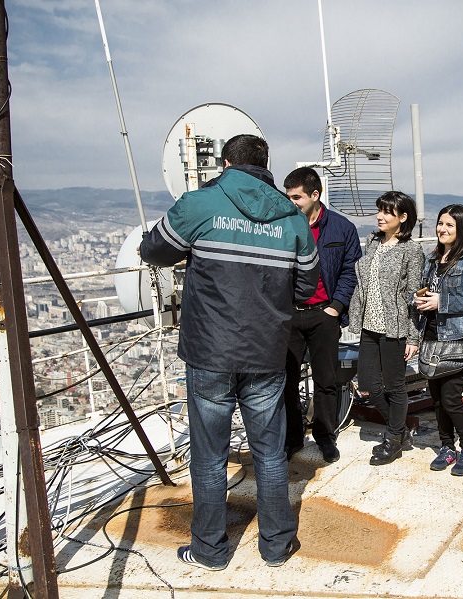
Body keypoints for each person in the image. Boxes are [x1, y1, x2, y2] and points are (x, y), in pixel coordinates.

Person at [140, 134, 319, 569]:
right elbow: (306, 286)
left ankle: (210, 550)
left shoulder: (201, 203)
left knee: (209, 456)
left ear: (225, 163)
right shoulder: (292, 218)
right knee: (270, 453)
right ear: (267, 164)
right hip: (267, 351)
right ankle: (276, 547)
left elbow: (154, 251)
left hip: (210, 350)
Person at [282, 167, 362, 463]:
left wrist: (335, 308)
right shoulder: (283, 227)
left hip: (323, 315)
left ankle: (325, 437)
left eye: (297, 197)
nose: (291, 203)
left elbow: (350, 271)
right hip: (289, 315)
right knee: (286, 380)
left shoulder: (342, 228)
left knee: (326, 380)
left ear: (315, 195)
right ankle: (292, 438)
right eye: (288, 197)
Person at [348, 191, 424, 466]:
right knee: (367, 384)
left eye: (388, 212)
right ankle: (401, 430)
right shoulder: (372, 242)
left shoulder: (411, 250)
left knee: (394, 386)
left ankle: (393, 438)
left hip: (395, 328)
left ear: (402, 218)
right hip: (370, 325)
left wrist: (413, 336)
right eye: (380, 210)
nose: (380, 216)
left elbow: (416, 295)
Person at [415, 205, 463, 476]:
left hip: (459, 337)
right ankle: (447, 447)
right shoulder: (433, 261)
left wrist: (441, 302)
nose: (442, 229)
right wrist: (421, 300)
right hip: (432, 336)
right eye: (440, 223)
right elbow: (429, 292)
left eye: (450, 225)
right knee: (436, 398)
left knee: (451, 398)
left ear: (462, 230)